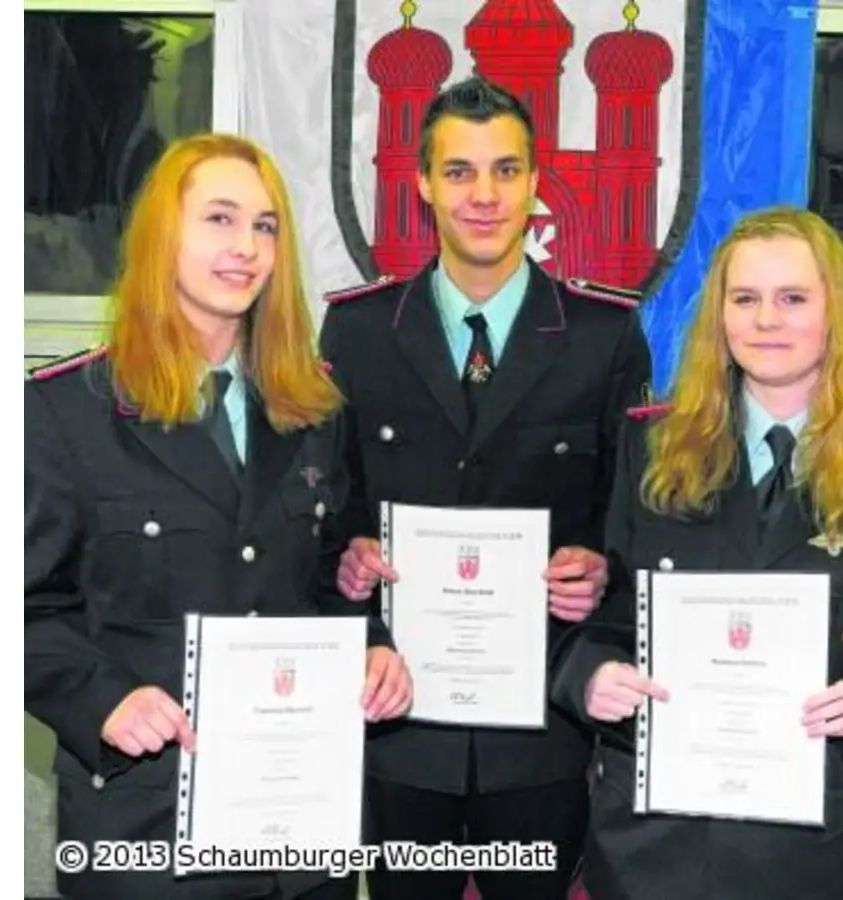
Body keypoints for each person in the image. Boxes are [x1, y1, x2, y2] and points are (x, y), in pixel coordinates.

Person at [25, 133, 412, 900]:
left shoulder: (315, 408)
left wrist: (373, 649)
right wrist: (104, 699)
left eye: (264, 226)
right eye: (220, 219)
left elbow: (335, 576)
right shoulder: (62, 411)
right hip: (147, 832)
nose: (245, 247)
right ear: (163, 234)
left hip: (298, 836)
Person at [317, 76, 653, 900]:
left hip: (539, 724)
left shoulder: (603, 335)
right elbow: (325, 503)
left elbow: (635, 514)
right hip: (399, 720)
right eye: (460, 172)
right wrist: (346, 555)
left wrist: (604, 570)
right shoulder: (358, 330)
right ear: (424, 184)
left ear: (535, 182)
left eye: (506, 170)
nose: (483, 195)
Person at [550, 207, 843, 900]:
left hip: (810, 850)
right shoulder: (650, 451)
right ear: (719, 318)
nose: (767, 321)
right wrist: (592, 675)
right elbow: (596, 617)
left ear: (835, 314)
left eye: (792, 299)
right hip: (651, 847)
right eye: (745, 299)